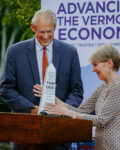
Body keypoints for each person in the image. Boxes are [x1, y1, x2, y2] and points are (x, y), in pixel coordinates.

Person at [0, 9, 83, 150]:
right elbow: (6, 89)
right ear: (33, 28)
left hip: (60, 135)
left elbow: (77, 91)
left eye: (49, 31)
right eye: (41, 32)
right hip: (24, 135)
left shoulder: (70, 52)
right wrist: (31, 109)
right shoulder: (15, 52)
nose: (45, 36)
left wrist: (62, 110)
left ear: (55, 28)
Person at [41, 44, 120, 150]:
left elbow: (101, 120)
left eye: (95, 65)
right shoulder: (101, 88)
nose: (93, 70)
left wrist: (68, 113)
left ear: (109, 63)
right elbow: (82, 111)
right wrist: (53, 98)